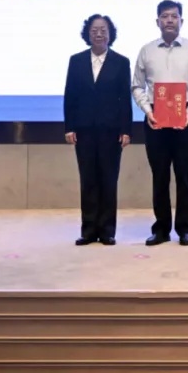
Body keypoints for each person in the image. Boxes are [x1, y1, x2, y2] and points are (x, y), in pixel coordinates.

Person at [131, 0, 188, 247]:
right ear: (157, 21)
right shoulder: (146, 51)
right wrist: (147, 110)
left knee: (184, 176)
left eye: (174, 16)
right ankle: (161, 229)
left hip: (186, 117)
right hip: (155, 119)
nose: (170, 20)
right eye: (165, 16)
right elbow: (137, 86)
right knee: (160, 176)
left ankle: (185, 229)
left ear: (181, 21)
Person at [63, 14, 132, 246]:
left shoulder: (121, 62)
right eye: (94, 30)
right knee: (88, 180)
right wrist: (69, 126)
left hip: (111, 131)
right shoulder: (76, 61)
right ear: (87, 34)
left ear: (110, 34)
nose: (99, 34)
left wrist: (126, 130)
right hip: (84, 130)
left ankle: (107, 231)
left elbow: (124, 98)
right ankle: (89, 230)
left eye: (103, 30)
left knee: (109, 180)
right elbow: (70, 95)